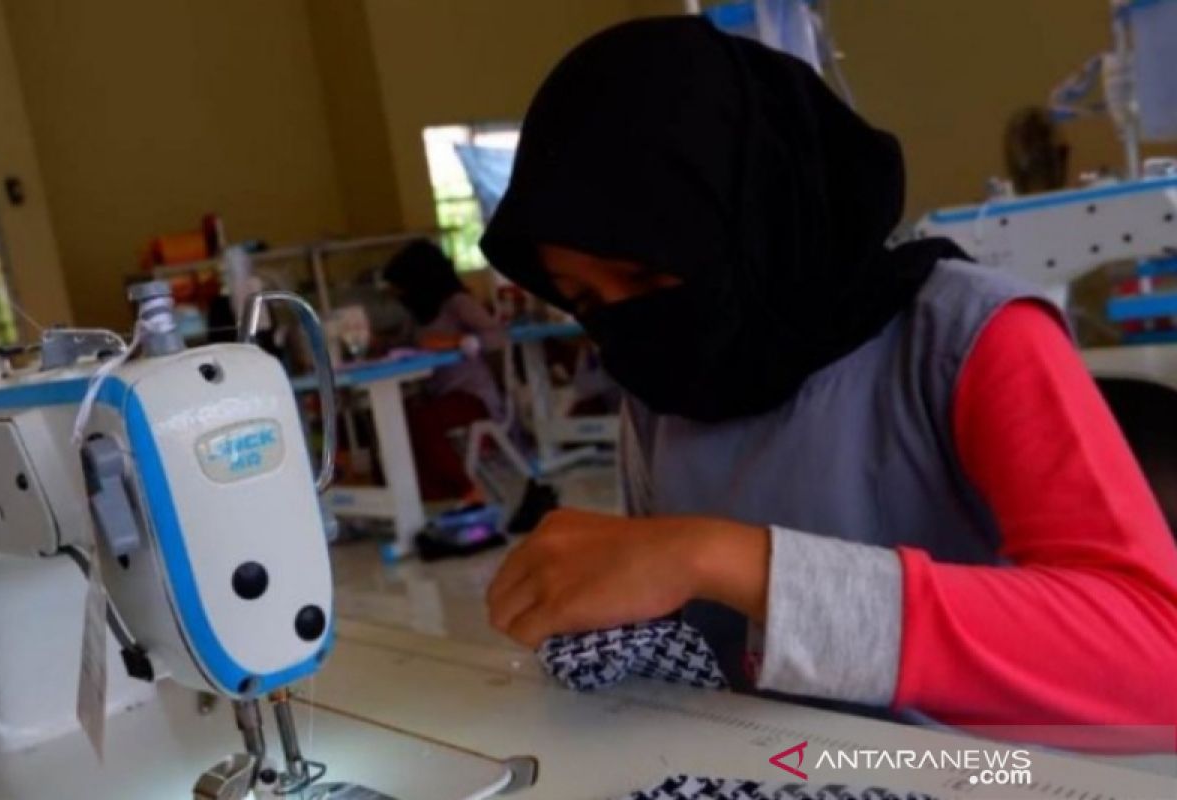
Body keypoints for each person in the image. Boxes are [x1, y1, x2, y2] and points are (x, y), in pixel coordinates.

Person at [479, 17, 1177, 736]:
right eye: (585, 299)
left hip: (958, 767)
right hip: (768, 758)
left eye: (648, 271)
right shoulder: (666, 384)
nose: (625, 322)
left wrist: (719, 557)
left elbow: (1156, 654)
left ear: (753, 210)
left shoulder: (968, 340)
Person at [384, 239, 507, 503]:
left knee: (422, 421)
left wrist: (458, 343)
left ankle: (468, 491)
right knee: (397, 418)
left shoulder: (458, 304)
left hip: (473, 397)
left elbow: (496, 337)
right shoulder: (416, 314)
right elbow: (405, 344)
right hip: (439, 396)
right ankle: (422, 497)